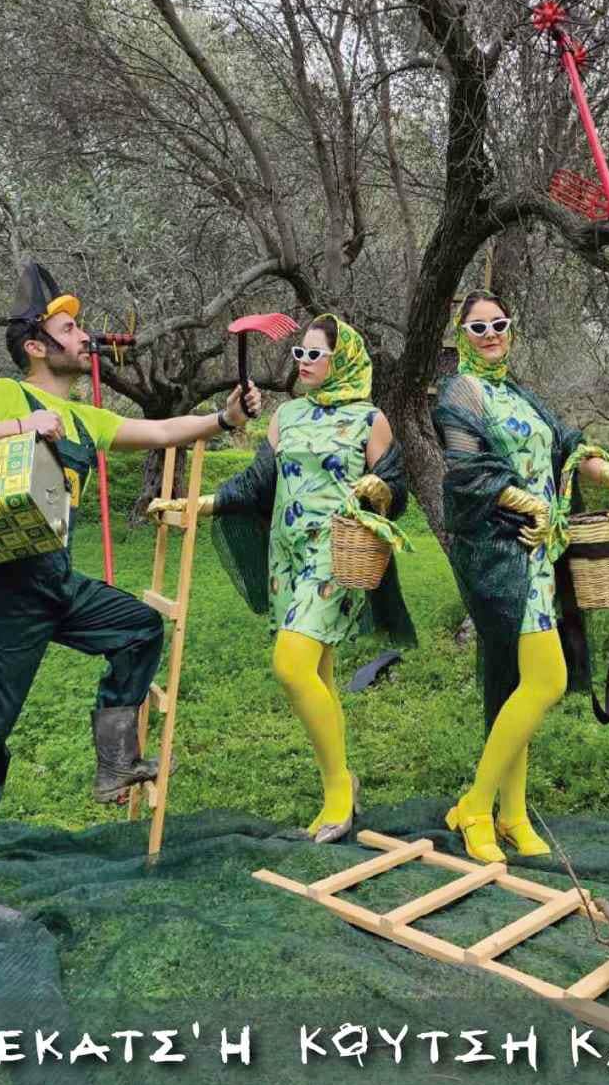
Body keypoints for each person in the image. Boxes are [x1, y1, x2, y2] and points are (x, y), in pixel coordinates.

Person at [0, 263, 262, 924]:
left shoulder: (82, 416)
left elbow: (160, 432)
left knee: (137, 628)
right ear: (36, 346)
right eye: (69, 328)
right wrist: (17, 429)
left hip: (53, 580)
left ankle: (115, 762)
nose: (83, 336)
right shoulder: (2, 395)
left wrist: (223, 417)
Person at [152, 314, 415, 843]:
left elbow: (396, 488)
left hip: (335, 555)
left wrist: (379, 490)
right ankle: (340, 783)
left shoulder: (370, 420)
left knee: (291, 664)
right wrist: (194, 503)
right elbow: (257, 483)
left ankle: (338, 789)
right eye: (300, 354)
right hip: (287, 556)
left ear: (343, 360)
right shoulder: (287, 415)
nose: (304, 363)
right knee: (318, 672)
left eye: (315, 355)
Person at [432, 291, 609, 865]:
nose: (491, 334)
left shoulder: (519, 394)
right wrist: (529, 504)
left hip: (540, 556)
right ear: (460, 335)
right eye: (478, 327)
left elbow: (569, 446)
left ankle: (513, 813)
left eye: (499, 323)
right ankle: (475, 806)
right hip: (502, 552)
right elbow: (466, 472)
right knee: (546, 681)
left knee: (519, 688)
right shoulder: (460, 392)